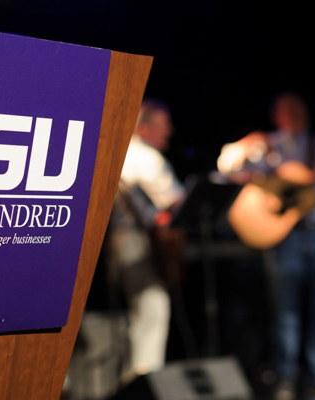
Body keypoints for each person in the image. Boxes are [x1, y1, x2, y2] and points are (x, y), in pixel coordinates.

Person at [218, 92, 315, 399]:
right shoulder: (268, 144)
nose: (296, 115)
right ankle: (284, 375)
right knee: (285, 308)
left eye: (299, 109)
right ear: (277, 116)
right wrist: (245, 145)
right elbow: (228, 171)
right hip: (285, 235)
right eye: (288, 111)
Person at [104, 98, 185, 377]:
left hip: (118, 242)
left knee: (139, 314)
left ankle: (133, 379)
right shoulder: (145, 157)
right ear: (144, 127)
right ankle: (144, 381)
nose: (170, 131)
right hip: (138, 241)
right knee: (154, 309)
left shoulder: (119, 153)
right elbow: (176, 201)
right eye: (164, 124)